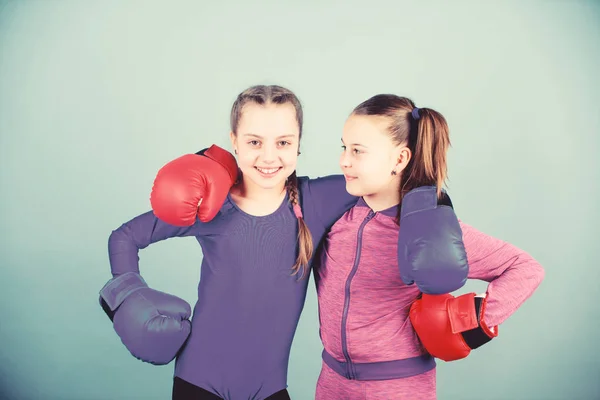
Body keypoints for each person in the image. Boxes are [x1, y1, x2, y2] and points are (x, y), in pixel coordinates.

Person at [97, 85, 469, 400]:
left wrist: (434, 210)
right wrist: (129, 297)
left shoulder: (317, 200)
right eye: (254, 142)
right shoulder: (211, 206)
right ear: (234, 143)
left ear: (298, 145)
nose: (269, 156)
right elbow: (124, 237)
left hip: (270, 390)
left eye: (283, 142)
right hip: (197, 383)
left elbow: (391, 179)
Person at [313, 94, 545, 399]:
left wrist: (471, 322)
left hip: (398, 387)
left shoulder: (428, 231)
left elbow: (526, 268)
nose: (344, 160)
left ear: (400, 159)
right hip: (332, 382)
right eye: (344, 147)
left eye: (358, 151)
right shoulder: (339, 217)